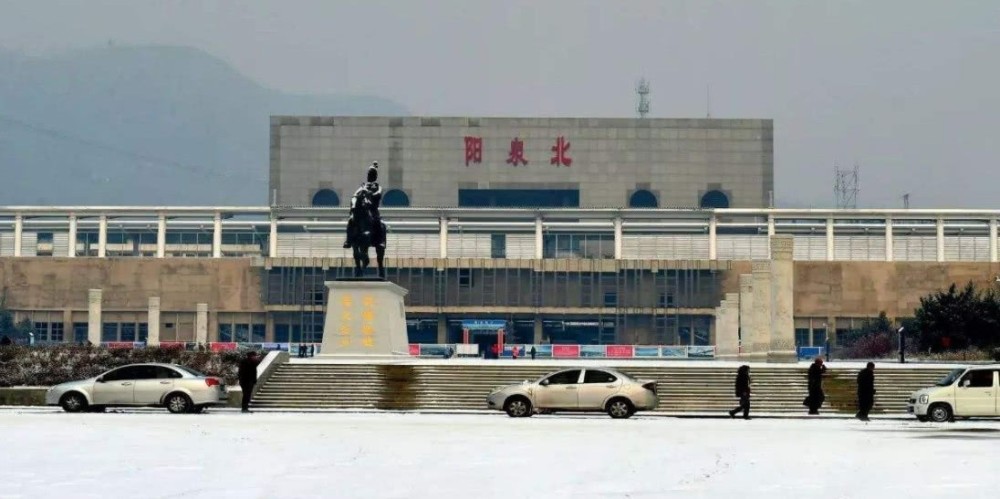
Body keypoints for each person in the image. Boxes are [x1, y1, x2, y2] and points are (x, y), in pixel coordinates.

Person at [343, 161, 385, 249]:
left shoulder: (378, 187)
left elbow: (378, 194)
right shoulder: (363, 187)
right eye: (369, 174)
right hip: (364, 209)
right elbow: (355, 195)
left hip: (373, 210)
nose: (370, 176)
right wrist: (354, 203)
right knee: (351, 220)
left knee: (379, 223)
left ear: (375, 176)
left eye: (372, 174)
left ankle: (381, 241)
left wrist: (370, 194)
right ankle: (348, 240)